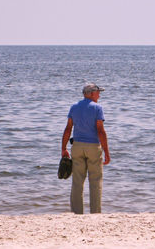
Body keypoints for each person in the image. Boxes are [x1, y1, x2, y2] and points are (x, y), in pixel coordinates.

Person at [61, 83, 110, 214]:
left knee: (77, 181)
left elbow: (68, 129)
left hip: (77, 146)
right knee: (95, 181)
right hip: (93, 147)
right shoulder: (97, 108)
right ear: (92, 93)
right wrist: (106, 152)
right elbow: (100, 131)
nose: (99, 95)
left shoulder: (74, 107)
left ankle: (77, 213)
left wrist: (63, 148)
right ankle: (95, 213)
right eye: (98, 92)